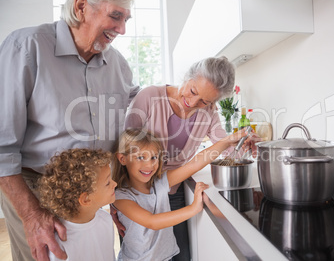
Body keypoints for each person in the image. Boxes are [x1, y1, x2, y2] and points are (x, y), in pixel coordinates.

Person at [0, 0, 140, 260]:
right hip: (36, 188)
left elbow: (128, 133)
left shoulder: (119, 66)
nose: (122, 29)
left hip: (95, 189)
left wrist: (112, 191)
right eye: (115, 16)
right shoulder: (26, 47)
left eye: (126, 19)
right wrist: (31, 214)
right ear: (81, 6)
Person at [118, 56, 260, 260]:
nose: (193, 102)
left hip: (172, 189)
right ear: (187, 77)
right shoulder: (149, 97)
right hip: (137, 194)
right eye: (193, 91)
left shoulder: (209, 112)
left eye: (205, 101)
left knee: (179, 254)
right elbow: (126, 144)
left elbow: (225, 149)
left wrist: (241, 143)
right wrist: (116, 198)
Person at [111, 128, 248, 261]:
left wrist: (227, 141)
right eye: (141, 157)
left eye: (154, 157)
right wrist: (193, 208)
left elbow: (194, 164)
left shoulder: (159, 183)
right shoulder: (120, 196)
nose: (149, 165)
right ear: (122, 159)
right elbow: (151, 222)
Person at [38, 148, 117, 261]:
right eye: (107, 183)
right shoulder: (59, 241)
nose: (115, 184)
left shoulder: (105, 219)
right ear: (85, 199)